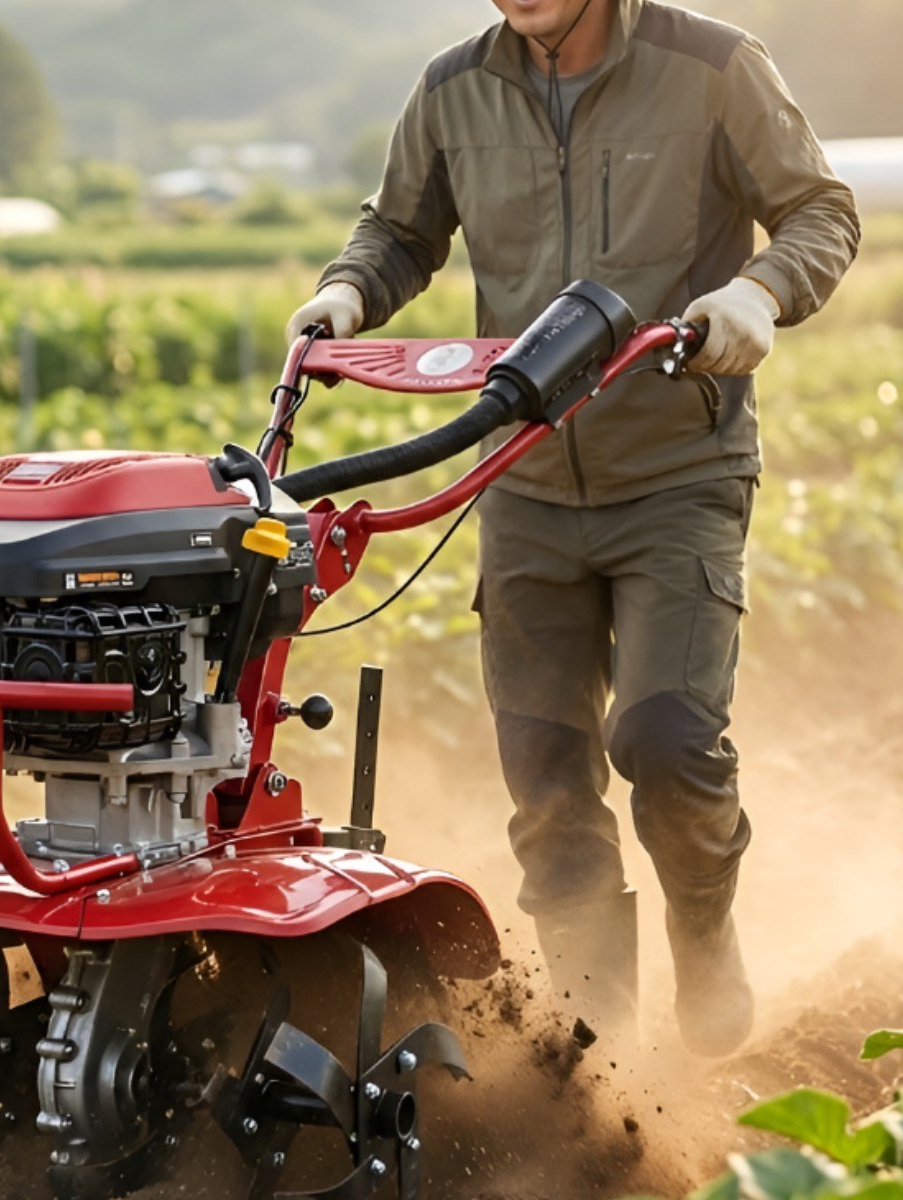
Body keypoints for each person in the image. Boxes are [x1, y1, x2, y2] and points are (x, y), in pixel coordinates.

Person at [285, 0, 859, 1055]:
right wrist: (347, 292)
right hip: (524, 478)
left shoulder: (716, 67)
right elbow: (401, 230)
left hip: (677, 470)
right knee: (549, 790)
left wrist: (758, 293)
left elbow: (822, 212)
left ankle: (704, 924)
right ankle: (602, 1059)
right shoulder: (454, 87)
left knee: (667, 740)